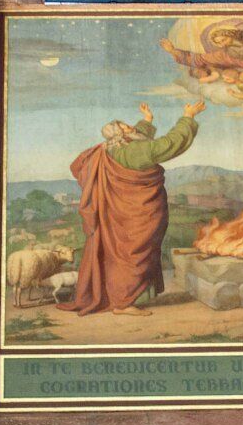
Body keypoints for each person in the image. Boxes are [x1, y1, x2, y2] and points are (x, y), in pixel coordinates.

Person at [60, 99, 205, 317]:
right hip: (138, 215)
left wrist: (147, 120)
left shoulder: (111, 148)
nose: (132, 128)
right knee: (135, 255)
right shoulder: (132, 151)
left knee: (125, 256)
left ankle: (127, 299)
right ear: (122, 135)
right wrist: (188, 118)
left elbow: (138, 138)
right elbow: (167, 145)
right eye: (127, 127)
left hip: (122, 215)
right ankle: (123, 303)